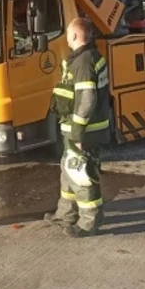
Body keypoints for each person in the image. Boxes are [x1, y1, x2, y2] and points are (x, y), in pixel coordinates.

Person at [44, 18, 112, 238]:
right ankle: (66, 213)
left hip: (85, 131)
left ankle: (89, 222)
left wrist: (77, 131)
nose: (66, 37)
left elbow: (87, 100)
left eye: (67, 33)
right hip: (76, 128)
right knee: (68, 171)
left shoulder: (84, 61)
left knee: (82, 174)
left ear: (74, 36)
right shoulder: (86, 57)